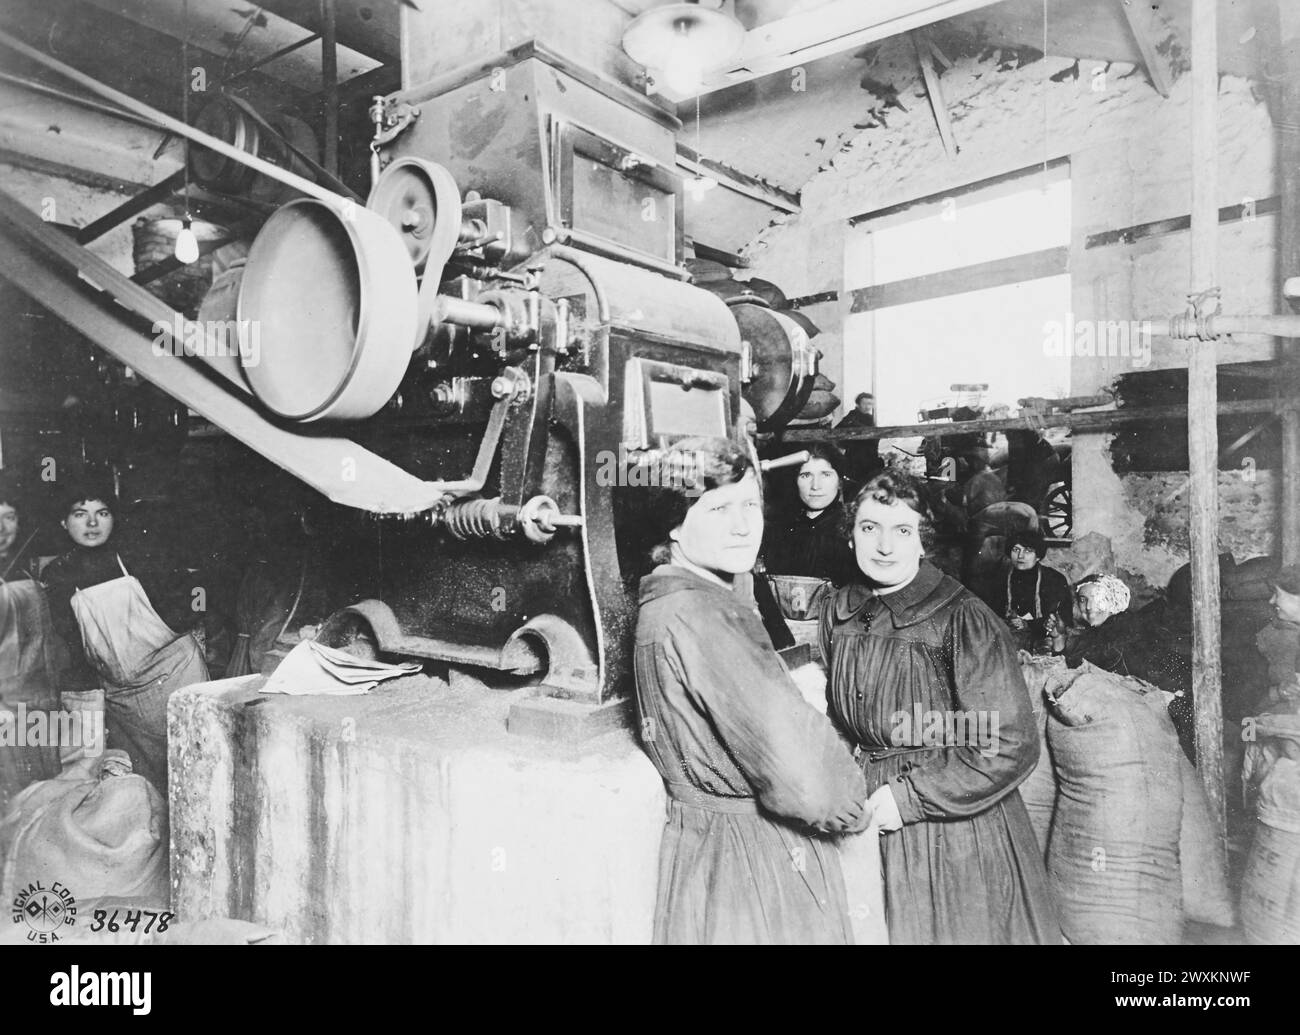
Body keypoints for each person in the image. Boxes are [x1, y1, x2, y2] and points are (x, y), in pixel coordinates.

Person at [630, 437, 869, 944]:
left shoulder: (674, 601)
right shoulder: (703, 615)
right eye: (718, 507)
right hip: (756, 859)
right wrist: (852, 799)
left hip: (710, 853)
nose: (743, 525)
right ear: (673, 523)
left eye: (751, 505)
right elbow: (812, 786)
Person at [819, 471, 1058, 944]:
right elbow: (839, 715)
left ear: (923, 542)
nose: (885, 546)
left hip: (949, 822)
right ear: (850, 536)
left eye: (902, 531)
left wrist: (906, 799)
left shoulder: (960, 617)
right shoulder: (839, 610)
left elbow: (1008, 743)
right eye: (870, 528)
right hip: (865, 812)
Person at [41, 479, 208, 790]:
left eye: (102, 513)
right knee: (143, 785)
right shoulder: (57, 575)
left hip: (175, 674)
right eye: (80, 514)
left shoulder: (136, 556)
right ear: (63, 522)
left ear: (113, 519)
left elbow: (189, 602)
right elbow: (71, 646)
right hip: (121, 694)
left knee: (197, 765)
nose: (92, 523)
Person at [763, 444, 859, 587]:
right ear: (795, 481)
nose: (815, 486)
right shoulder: (778, 529)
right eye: (806, 475)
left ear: (840, 481)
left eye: (825, 474)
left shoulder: (853, 528)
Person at [987, 530, 1073, 651]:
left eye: (1028, 551)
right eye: (1016, 550)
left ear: (1038, 556)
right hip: (1007, 639)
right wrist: (1009, 622)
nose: (1020, 556)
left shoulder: (1054, 579)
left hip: (1046, 639)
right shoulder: (999, 579)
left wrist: (1030, 625)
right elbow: (990, 615)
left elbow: (1065, 618)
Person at [835, 393, 882, 483]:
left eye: (870, 404)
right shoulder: (851, 417)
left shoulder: (870, 418)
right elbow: (836, 433)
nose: (868, 407)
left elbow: (875, 437)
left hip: (870, 457)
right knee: (855, 484)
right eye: (865, 403)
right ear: (858, 404)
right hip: (855, 459)